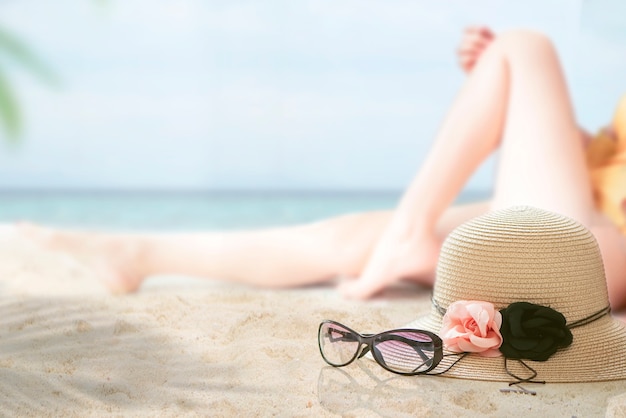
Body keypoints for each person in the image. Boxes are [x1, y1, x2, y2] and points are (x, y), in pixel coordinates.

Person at [20, 27, 626, 313]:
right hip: (585, 218)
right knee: (349, 237)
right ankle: (135, 254)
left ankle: (409, 233)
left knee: (525, 47)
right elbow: (605, 156)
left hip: (595, 249)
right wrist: (519, 110)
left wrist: (513, 79)